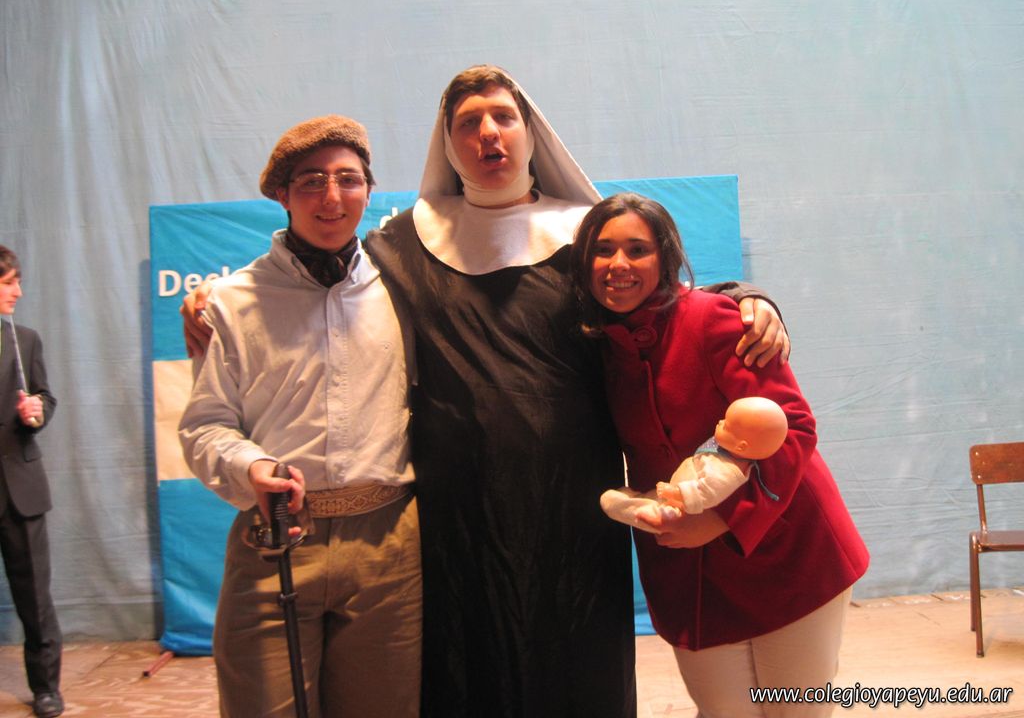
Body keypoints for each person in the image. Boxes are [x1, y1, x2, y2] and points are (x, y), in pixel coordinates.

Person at [181, 65, 790, 717]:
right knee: (464, 674)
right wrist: (214, 296)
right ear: (446, 144)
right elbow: (314, 271)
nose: (488, 134)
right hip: (454, 513)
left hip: (573, 502)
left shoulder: (584, 234)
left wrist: (746, 297)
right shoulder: (403, 246)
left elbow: (661, 302)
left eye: (503, 117)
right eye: (468, 122)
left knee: (575, 670)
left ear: (532, 132)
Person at [569, 192, 870, 718]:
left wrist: (723, 519)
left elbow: (795, 426)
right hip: (689, 574)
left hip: (784, 549)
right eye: (603, 249)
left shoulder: (714, 319)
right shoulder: (594, 347)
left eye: (637, 249)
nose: (618, 264)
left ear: (664, 256)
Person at [178, 116, 421, 718]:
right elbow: (205, 425)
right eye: (312, 181)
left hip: (389, 549)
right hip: (277, 542)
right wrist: (251, 467)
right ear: (282, 194)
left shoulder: (406, 290)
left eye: (348, 179)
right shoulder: (231, 302)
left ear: (369, 190)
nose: (332, 197)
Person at [0, 245, 63, 718]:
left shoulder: (25, 340)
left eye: (18, 280)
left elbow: (44, 398)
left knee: (35, 598)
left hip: (19, 488)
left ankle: (46, 688)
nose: (19, 291)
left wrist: (36, 411)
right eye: (9, 282)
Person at [599, 396, 788, 533]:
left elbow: (707, 493)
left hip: (680, 504)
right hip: (673, 491)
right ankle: (636, 501)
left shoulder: (727, 471)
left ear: (741, 446)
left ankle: (643, 512)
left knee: (625, 506)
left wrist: (677, 493)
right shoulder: (728, 453)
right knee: (648, 499)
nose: (720, 421)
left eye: (727, 425)